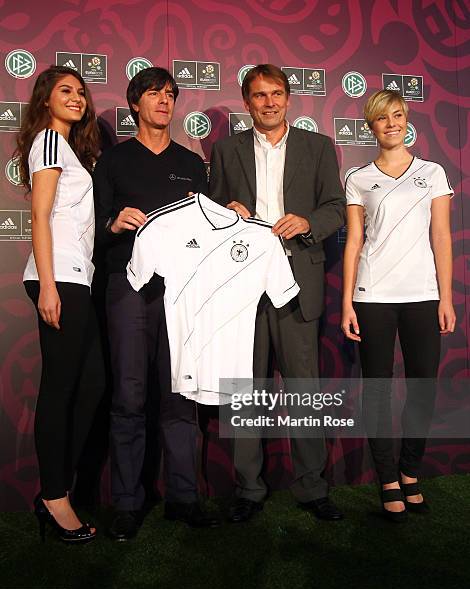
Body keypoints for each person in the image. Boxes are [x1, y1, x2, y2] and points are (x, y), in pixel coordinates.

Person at [209, 64, 346, 522]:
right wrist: (226, 211)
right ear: (246, 103)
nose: (268, 102)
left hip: (297, 282)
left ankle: (312, 487)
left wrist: (307, 223)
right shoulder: (226, 151)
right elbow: (211, 216)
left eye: (276, 94)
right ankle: (249, 490)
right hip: (243, 288)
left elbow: (334, 210)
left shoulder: (318, 147)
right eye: (259, 95)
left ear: (289, 99)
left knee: (304, 389)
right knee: (246, 392)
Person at [93, 67, 219, 540]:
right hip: (128, 288)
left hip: (183, 292)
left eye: (170, 94)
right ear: (135, 104)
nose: (164, 102)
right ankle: (128, 502)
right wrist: (113, 223)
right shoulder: (113, 161)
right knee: (128, 395)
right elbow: (96, 231)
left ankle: (184, 497)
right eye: (153, 94)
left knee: (180, 397)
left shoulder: (191, 164)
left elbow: (209, 235)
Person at [341, 90, 455, 521]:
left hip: (423, 296)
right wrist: (347, 303)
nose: (391, 123)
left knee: (422, 388)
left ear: (407, 121)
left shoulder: (433, 172)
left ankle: (410, 471)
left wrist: (446, 296)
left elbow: (441, 237)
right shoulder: (358, 178)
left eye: (398, 115)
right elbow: (354, 242)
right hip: (373, 296)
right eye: (381, 118)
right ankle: (387, 478)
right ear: (370, 127)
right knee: (378, 390)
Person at [17, 65, 105, 542]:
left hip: (77, 278)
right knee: (60, 389)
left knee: (91, 384)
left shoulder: (69, 149)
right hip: (60, 279)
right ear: (45, 100)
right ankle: (54, 496)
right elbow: (40, 214)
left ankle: (56, 489)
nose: (76, 97)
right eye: (65, 90)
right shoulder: (49, 142)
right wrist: (48, 286)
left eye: (80, 91)